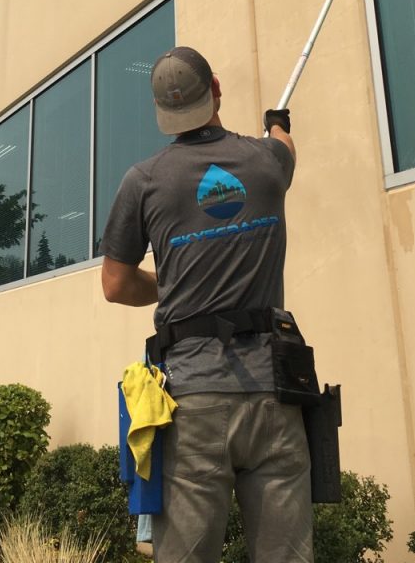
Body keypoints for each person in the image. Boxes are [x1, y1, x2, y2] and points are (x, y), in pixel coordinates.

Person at [100, 46, 313, 563]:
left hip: (193, 401)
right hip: (275, 392)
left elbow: (115, 284)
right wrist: (276, 123)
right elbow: (285, 146)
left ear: (162, 113)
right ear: (215, 88)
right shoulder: (266, 162)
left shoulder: (144, 181)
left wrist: (173, 284)